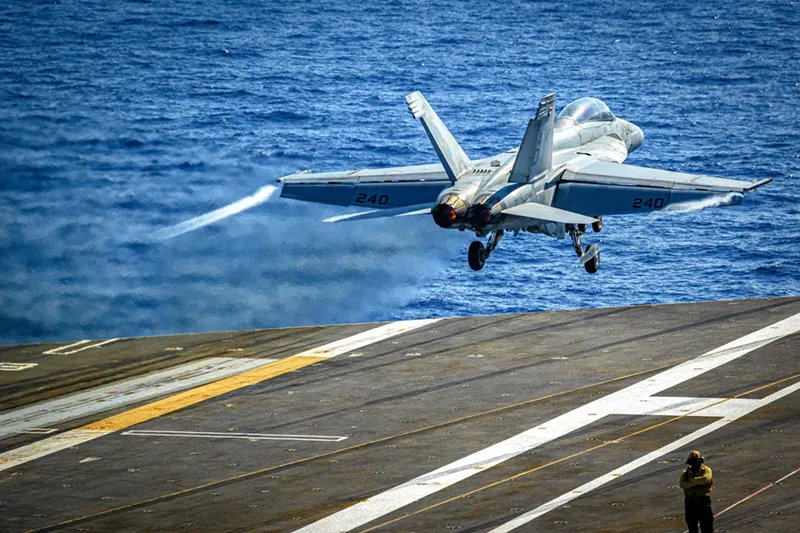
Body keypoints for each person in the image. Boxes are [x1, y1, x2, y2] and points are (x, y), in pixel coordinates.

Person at [679, 450, 714, 533]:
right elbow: (682, 484)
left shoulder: (706, 470)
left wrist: (691, 480)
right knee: (692, 526)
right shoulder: (685, 473)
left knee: (707, 526)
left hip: (703, 500)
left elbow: (705, 479)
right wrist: (697, 482)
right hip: (690, 501)